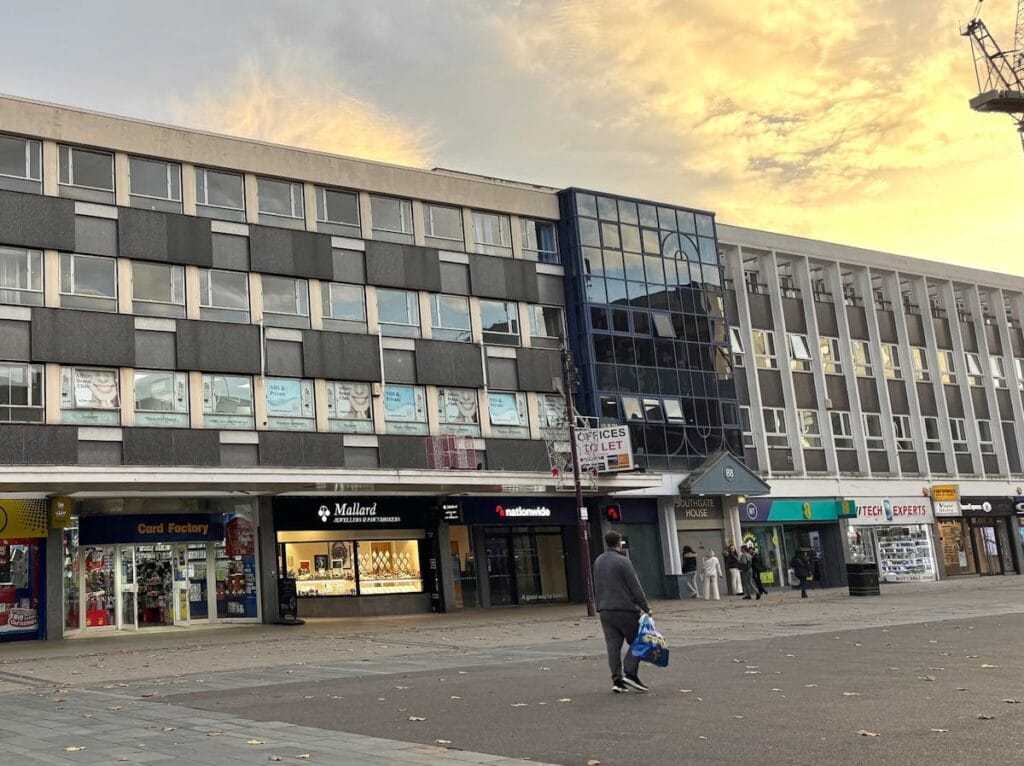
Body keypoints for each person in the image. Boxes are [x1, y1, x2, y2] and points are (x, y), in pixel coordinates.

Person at [593, 530, 652, 693]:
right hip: (624, 609)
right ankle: (630, 673)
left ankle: (617, 681)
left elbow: (596, 584)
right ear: (619, 543)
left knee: (613, 646)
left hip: (605, 609)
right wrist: (646, 607)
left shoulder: (598, 561)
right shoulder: (623, 561)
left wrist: (599, 605)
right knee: (640, 641)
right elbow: (635, 587)